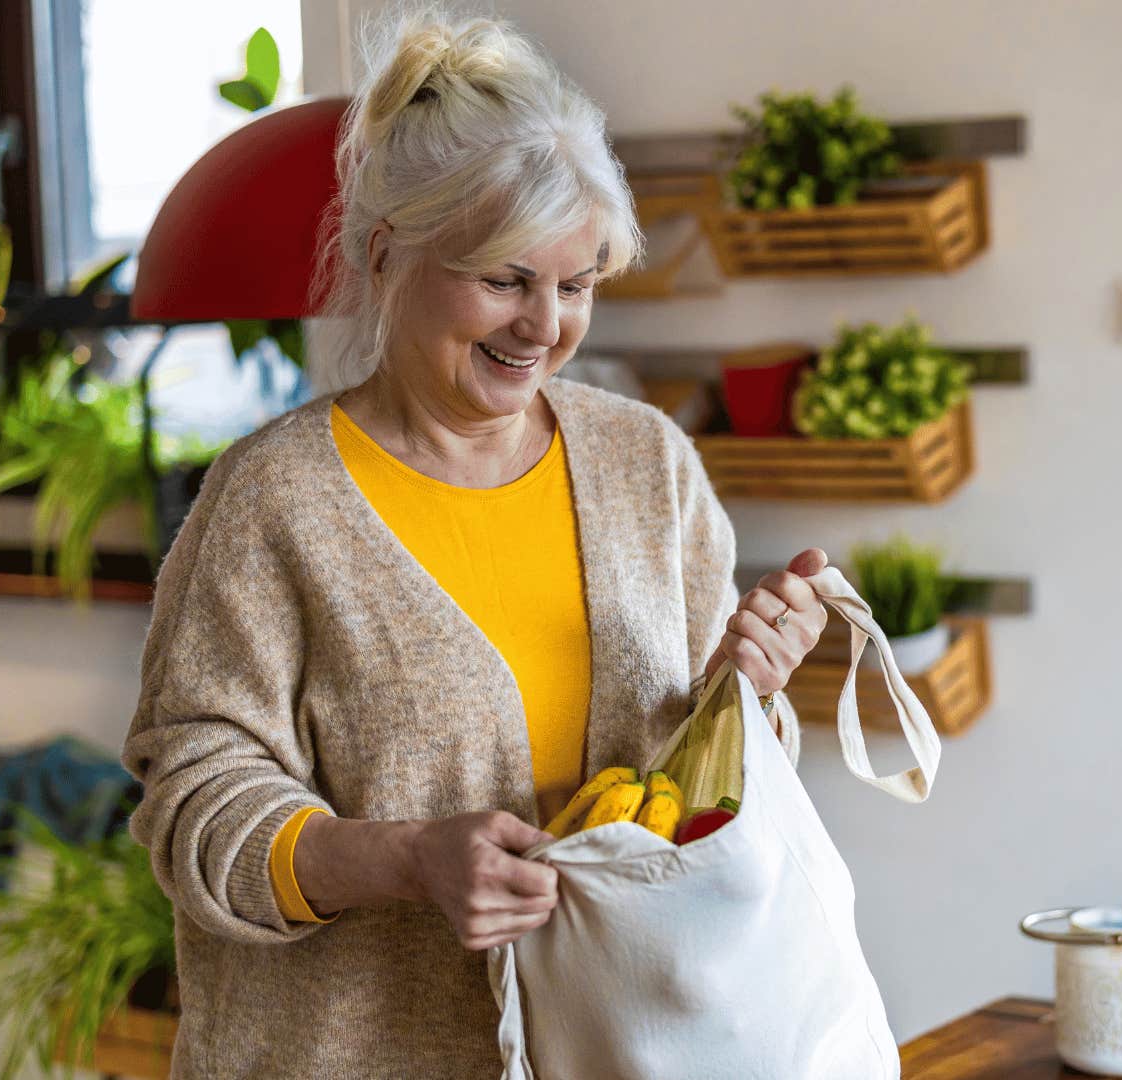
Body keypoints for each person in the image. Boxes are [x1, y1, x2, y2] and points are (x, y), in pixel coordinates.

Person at [120, 5, 830, 1075]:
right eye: (504, 279)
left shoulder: (649, 466)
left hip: (618, 1049)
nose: (545, 327)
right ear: (386, 254)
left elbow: (703, 809)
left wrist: (747, 695)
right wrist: (403, 860)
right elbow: (193, 808)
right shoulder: (275, 501)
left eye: (577, 284)